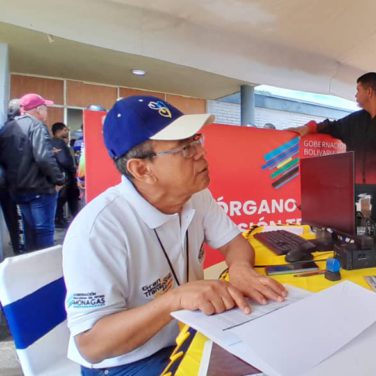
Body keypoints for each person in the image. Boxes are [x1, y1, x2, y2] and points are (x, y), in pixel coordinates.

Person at [62, 96, 287, 374]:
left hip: (188, 333)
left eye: (196, 141)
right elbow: (92, 346)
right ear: (141, 169)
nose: (200, 154)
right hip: (128, 362)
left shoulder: (196, 196)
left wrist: (239, 268)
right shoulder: (98, 229)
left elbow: (235, 244)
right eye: (184, 148)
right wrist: (174, 300)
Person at [288, 72, 376, 230]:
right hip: (362, 197)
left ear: (369, 92)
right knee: (363, 243)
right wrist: (309, 128)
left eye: (358, 90)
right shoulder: (354, 121)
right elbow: (331, 126)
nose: (355, 95)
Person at [0, 93, 65, 252]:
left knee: (30, 232)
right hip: (40, 189)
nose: (46, 113)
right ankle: (46, 273)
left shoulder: (7, 128)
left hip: (18, 190)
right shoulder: (36, 126)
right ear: (38, 109)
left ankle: (31, 269)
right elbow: (44, 157)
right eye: (45, 109)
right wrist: (59, 179)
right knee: (44, 232)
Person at [0, 99, 23, 256]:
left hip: (5, 180)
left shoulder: (4, 129)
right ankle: (18, 247)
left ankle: (16, 246)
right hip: (14, 181)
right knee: (17, 217)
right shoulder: (18, 129)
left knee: (11, 217)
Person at [50, 122, 81, 227]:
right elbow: (64, 160)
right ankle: (61, 220)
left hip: (61, 175)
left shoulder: (52, 142)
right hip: (65, 176)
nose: (67, 132)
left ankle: (62, 219)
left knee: (66, 199)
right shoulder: (59, 143)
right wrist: (72, 169)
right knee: (65, 199)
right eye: (65, 130)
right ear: (59, 131)